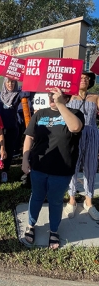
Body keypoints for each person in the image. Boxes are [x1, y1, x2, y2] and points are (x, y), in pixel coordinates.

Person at [22, 88, 84, 249]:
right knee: (36, 196)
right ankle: (31, 225)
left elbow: (76, 128)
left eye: (56, 94)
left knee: (56, 201)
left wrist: (60, 104)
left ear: (67, 97)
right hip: (38, 166)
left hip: (62, 169)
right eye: (50, 94)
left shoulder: (75, 113)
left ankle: (54, 230)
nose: (52, 97)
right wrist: (24, 159)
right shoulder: (40, 114)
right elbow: (29, 137)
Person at [64, 71, 99, 220]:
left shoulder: (95, 97)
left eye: (87, 78)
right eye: (81, 77)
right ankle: (72, 199)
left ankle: (88, 201)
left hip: (91, 134)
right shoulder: (69, 97)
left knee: (91, 167)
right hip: (75, 135)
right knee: (73, 166)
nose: (84, 79)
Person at [0, 77, 23, 183]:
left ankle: (5, 171)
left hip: (12, 128)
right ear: (4, 83)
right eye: (8, 82)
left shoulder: (18, 95)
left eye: (13, 82)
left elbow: (28, 94)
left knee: (9, 151)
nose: (10, 84)